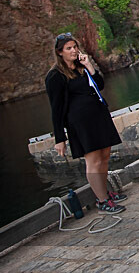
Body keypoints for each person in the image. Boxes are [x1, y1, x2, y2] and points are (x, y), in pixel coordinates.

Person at [45, 33, 127, 214]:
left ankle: (106, 192)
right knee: (93, 160)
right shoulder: (55, 76)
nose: (73, 50)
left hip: (98, 115)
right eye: (69, 48)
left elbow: (100, 85)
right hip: (80, 122)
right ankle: (102, 200)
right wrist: (60, 137)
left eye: (75, 47)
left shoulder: (80, 67)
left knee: (105, 155)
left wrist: (89, 66)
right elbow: (56, 109)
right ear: (60, 52)